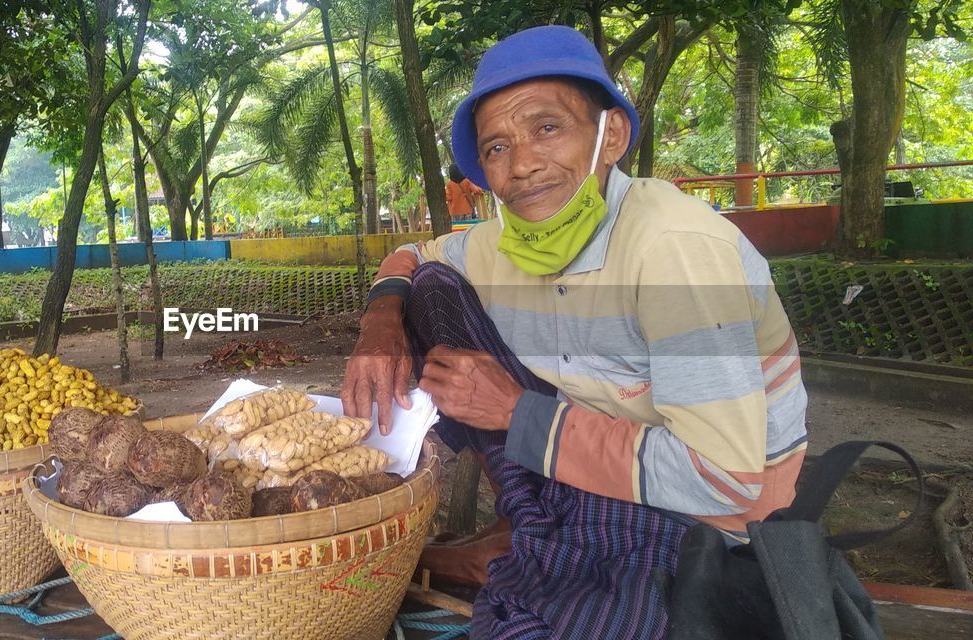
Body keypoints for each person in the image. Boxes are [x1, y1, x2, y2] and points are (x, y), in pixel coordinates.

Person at [341, 26, 807, 639]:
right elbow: (410, 254)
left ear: (609, 135)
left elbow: (721, 479)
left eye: (547, 128)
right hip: (581, 453)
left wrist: (515, 412)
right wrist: (379, 326)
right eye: (498, 147)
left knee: (541, 624)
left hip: (702, 512)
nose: (523, 164)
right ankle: (530, 524)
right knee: (429, 288)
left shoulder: (674, 251)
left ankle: (537, 547)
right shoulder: (504, 239)